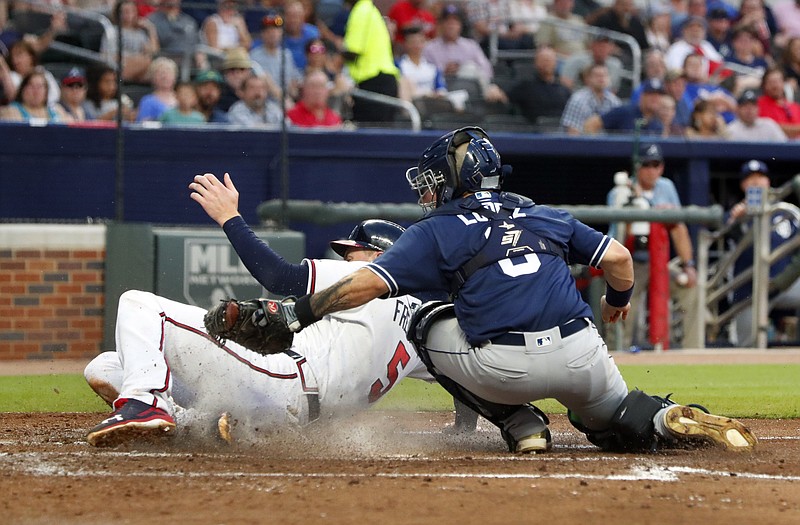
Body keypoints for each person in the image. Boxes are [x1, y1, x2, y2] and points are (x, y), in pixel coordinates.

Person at [268, 126, 757, 454]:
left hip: (502, 370)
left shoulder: (435, 228)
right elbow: (620, 259)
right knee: (609, 423)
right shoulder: (541, 213)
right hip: (582, 353)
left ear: (452, 180)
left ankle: (520, 425)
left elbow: (368, 284)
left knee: (420, 316)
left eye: (433, 180)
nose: (427, 190)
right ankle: (663, 418)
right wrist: (617, 301)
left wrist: (295, 315)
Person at [83, 175, 434, 446]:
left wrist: (229, 217)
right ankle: (198, 425)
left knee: (138, 304)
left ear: (379, 256)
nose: (346, 258)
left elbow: (277, 275)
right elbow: (458, 377)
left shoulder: (361, 279)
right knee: (107, 366)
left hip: (279, 382)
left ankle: (145, 403)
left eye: (354, 252)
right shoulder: (419, 324)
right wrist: (462, 429)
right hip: (293, 415)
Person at [605, 142, 700, 350]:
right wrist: (636, 203)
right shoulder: (621, 191)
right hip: (630, 262)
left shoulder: (666, 187)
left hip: (659, 262)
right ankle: (616, 356)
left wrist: (688, 265)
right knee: (623, 308)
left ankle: (694, 352)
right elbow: (617, 236)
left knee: (691, 288)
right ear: (637, 167)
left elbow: (678, 227)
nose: (651, 170)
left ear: (661, 167)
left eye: (655, 165)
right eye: (646, 164)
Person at [726, 160, 800, 346]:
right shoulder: (738, 214)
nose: (756, 182)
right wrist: (735, 221)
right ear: (743, 185)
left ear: (768, 181)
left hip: (785, 283)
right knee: (748, 344)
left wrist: (785, 278)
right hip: (749, 289)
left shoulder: (786, 211)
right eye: (750, 179)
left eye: (760, 177)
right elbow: (727, 236)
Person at [342, 0, 399, 124]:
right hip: (385, 82)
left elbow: (352, 51)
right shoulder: (370, 10)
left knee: (368, 138)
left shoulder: (361, 10)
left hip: (374, 82)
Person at [507, 46, 572, 126]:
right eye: (543, 60)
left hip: (559, 133)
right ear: (536, 62)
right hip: (534, 133)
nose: (546, 64)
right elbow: (505, 97)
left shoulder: (564, 90)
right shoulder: (526, 87)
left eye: (549, 60)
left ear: (555, 63)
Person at [101, 0, 159, 83]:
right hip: (119, 65)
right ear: (118, 13)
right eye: (125, 11)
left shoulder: (140, 34)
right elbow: (107, 55)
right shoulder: (111, 31)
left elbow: (154, 52)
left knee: (153, 63)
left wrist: (151, 29)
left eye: (132, 11)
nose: (128, 14)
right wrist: (134, 60)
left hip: (139, 68)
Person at [249, 12, 303, 101]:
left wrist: (295, 85)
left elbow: (295, 79)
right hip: (265, 102)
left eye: (276, 30)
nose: (273, 33)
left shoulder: (286, 54)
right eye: (269, 31)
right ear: (262, 34)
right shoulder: (254, 56)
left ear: (281, 33)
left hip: (287, 100)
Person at [583, 78, 666, 134]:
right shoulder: (625, 112)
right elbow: (591, 124)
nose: (655, 98)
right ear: (642, 96)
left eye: (658, 95)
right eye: (651, 94)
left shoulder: (658, 123)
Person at [560, 63, 621, 135]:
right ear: (588, 79)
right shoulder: (578, 100)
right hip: (582, 144)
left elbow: (620, 131)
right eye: (597, 76)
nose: (602, 78)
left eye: (605, 75)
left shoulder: (614, 101)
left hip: (608, 145)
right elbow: (572, 134)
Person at [0, 67, 69, 122]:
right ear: (23, 89)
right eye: (31, 86)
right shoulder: (11, 111)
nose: (36, 91)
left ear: (46, 91)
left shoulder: (57, 110)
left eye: (40, 87)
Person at [757, 66, 800, 138]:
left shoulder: (795, 106)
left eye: (778, 81)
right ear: (764, 85)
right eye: (771, 82)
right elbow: (771, 129)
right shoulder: (759, 104)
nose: (775, 85)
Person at [135, 56, 178, 122]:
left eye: (168, 72)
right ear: (152, 78)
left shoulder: (182, 99)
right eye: (160, 73)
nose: (165, 77)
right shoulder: (147, 101)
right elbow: (142, 125)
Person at [282, 0, 320, 70]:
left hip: (308, 74)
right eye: (290, 16)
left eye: (296, 16)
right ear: (284, 17)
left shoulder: (313, 33)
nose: (293, 20)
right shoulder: (277, 35)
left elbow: (319, 55)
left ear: (303, 17)